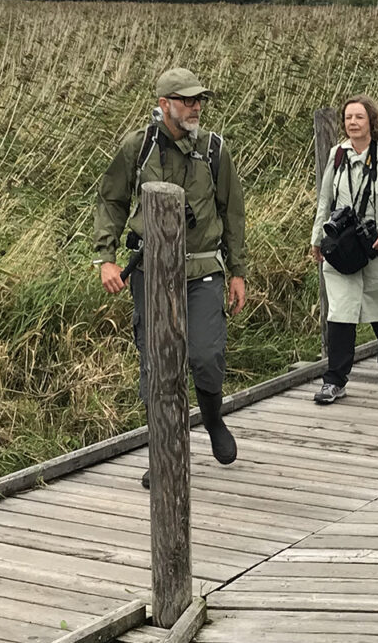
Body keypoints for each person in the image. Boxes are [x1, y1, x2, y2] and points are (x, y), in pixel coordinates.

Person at [94, 67, 247, 489]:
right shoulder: (137, 147)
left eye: (200, 99)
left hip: (202, 270)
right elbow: (111, 201)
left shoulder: (216, 150)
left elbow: (233, 213)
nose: (196, 106)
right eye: (187, 100)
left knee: (205, 355)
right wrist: (105, 258)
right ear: (165, 105)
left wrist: (238, 272)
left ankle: (214, 420)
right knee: (157, 366)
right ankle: (164, 453)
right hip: (151, 271)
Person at [311, 96, 378, 403]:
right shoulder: (337, 155)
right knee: (340, 311)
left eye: (359, 117)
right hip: (343, 246)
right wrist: (318, 238)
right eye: (348, 118)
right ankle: (335, 380)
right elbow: (325, 200)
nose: (353, 123)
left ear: (372, 120)